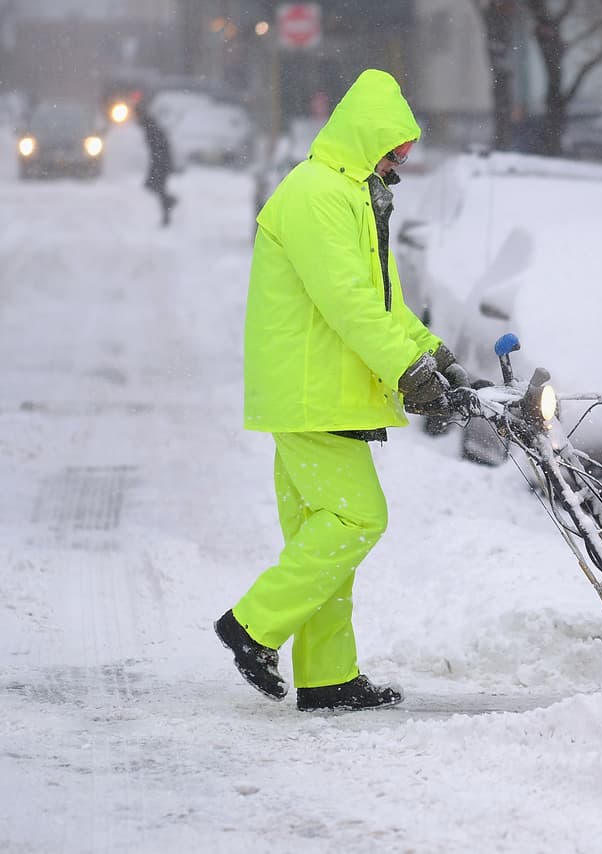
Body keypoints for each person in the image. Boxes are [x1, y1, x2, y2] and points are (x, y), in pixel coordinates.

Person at [215, 69, 476, 712]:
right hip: (312, 390)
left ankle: (328, 676)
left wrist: (435, 355)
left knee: (323, 539)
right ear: (367, 139)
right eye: (394, 153)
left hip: (321, 389)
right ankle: (251, 626)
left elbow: (384, 303)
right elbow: (348, 303)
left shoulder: (352, 195)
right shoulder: (316, 194)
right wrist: (407, 372)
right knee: (359, 518)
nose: (398, 165)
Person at [134, 100, 177, 226]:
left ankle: (167, 211)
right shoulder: (149, 125)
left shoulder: (149, 126)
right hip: (159, 161)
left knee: (157, 187)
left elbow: (158, 146)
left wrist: (159, 161)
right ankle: (168, 205)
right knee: (155, 187)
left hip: (160, 162)